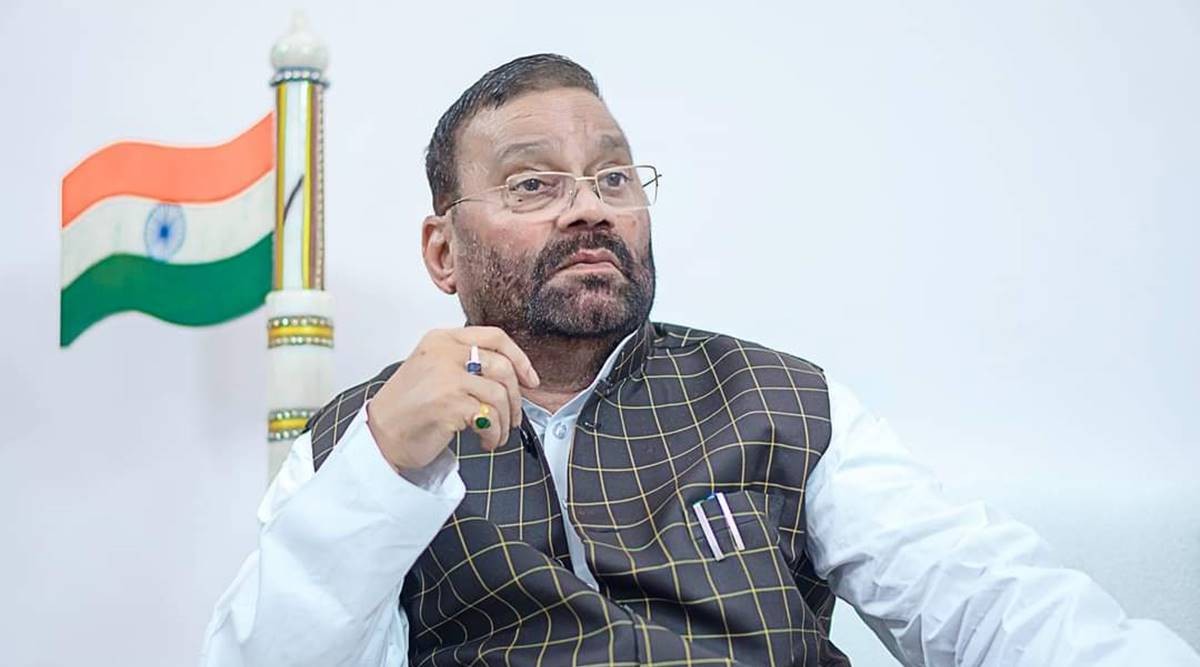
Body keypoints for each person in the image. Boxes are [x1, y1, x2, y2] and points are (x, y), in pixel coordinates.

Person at [200, 54, 1199, 666]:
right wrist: (383, 463)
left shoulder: (781, 398)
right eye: (534, 183)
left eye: (614, 177)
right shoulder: (363, 437)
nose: (590, 207)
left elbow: (986, 601)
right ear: (442, 252)